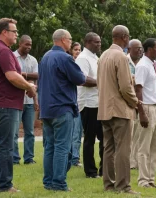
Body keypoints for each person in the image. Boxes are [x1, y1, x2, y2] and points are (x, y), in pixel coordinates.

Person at [0, 18, 36, 192]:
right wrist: (29, 86)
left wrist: (26, 86)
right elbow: (12, 76)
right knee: (6, 145)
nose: (16, 35)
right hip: (5, 104)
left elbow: (14, 75)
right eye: (14, 31)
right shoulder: (4, 51)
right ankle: (5, 185)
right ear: (4, 32)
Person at [38, 29, 93, 191]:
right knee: (63, 147)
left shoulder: (45, 57)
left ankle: (48, 182)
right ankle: (59, 183)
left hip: (47, 108)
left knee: (50, 147)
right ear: (63, 40)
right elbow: (80, 78)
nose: (71, 42)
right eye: (70, 39)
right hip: (62, 108)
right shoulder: (65, 58)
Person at [97, 25, 140, 194]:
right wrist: (136, 102)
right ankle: (123, 186)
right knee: (123, 149)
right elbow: (125, 87)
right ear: (123, 37)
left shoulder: (103, 55)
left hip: (105, 108)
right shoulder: (121, 56)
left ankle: (109, 184)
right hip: (120, 109)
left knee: (108, 148)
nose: (128, 40)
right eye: (128, 37)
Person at [135, 38, 156, 188]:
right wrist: (141, 112)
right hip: (147, 108)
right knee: (144, 147)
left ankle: (151, 179)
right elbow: (138, 89)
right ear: (149, 49)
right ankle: (143, 180)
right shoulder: (142, 66)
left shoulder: (153, 65)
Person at [76, 32, 103, 178]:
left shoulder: (95, 57)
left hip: (99, 103)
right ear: (87, 42)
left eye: (99, 42)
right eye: (96, 42)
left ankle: (104, 170)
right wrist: (103, 82)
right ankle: (90, 171)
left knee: (105, 138)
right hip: (88, 104)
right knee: (90, 139)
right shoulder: (82, 58)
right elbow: (83, 79)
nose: (99, 44)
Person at [12, 35, 39, 165]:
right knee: (14, 132)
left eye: (30, 45)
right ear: (20, 44)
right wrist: (26, 78)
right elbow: (11, 76)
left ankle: (29, 158)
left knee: (30, 132)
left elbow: (36, 77)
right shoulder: (12, 57)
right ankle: (14, 158)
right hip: (15, 100)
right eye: (26, 44)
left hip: (29, 100)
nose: (28, 47)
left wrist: (35, 101)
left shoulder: (33, 60)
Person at [127, 39, 143, 170]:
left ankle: (137, 161)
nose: (140, 50)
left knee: (139, 134)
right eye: (137, 48)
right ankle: (130, 162)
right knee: (129, 135)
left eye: (141, 48)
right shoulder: (124, 62)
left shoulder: (144, 63)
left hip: (141, 103)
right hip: (128, 102)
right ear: (129, 49)